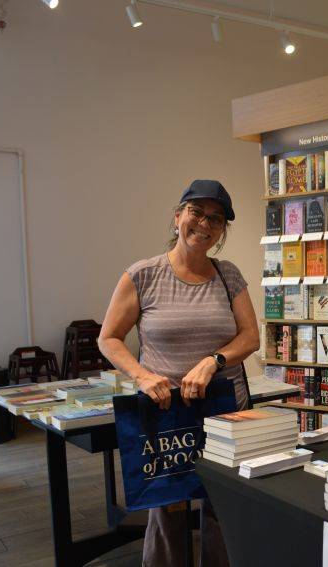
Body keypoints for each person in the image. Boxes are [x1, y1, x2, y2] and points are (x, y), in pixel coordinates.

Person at [98, 180, 259, 567]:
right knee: (168, 508)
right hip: (167, 413)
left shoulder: (228, 275)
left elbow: (250, 336)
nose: (204, 223)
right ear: (177, 216)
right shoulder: (143, 275)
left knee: (222, 507)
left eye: (216, 219)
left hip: (225, 412)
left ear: (221, 231)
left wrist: (213, 361)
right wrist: (142, 376)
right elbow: (109, 338)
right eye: (196, 212)